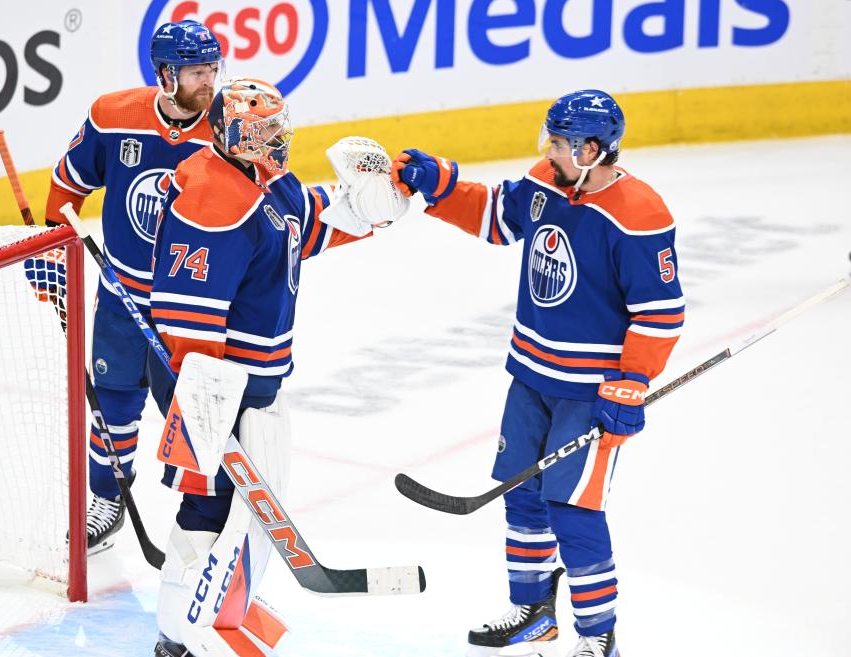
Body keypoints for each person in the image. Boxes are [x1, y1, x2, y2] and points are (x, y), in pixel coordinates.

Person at [391, 90, 684, 657]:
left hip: (588, 392)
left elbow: (660, 313)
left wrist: (632, 381)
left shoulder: (641, 213)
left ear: (591, 149)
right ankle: (532, 612)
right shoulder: (547, 181)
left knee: (573, 511)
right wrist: (442, 185)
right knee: (521, 495)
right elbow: (499, 217)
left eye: (557, 142)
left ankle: (598, 636)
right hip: (530, 375)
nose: (547, 150)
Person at [146, 78, 407, 657]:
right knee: (216, 504)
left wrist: (370, 210)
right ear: (227, 132)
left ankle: (200, 618)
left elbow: (303, 229)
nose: (272, 138)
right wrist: (203, 411)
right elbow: (186, 316)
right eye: (258, 130)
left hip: (250, 382)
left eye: (275, 127)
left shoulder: (266, 179)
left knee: (249, 505)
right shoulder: (211, 197)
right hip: (212, 384)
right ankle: (194, 629)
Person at [35, 20, 223, 552]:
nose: (208, 82)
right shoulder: (113, 117)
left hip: (192, 306)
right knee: (113, 400)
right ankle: (107, 498)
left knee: (197, 411)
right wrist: (50, 255)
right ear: (165, 74)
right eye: (196, 72)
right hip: (122, 295)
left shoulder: (226, 127)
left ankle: (209, 511)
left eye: (212, 69)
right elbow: (68, 185)